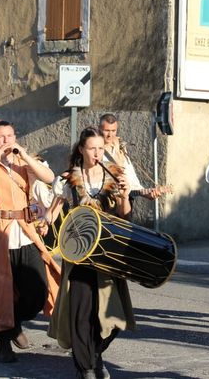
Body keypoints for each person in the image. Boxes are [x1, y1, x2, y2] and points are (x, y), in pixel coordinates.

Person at [0, 120, 59, 363]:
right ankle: (3, 342)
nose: (5, 140)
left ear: (15, 136)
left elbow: (49, 177)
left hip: (25, 232)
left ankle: (13, 324)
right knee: (2, 291)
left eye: (9, 136)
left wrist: (24, 155)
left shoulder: (26, 162)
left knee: (37, 289)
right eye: (0, 137)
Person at [44, 126, 136, 379]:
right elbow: (55, 208)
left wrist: (126, 195)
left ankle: (95, 354)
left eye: (100, 148)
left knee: (112, 314)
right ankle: (85, 367)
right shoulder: (67, 179)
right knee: (81, 312)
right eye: (92, 148)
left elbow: (125, 216)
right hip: (79, 253)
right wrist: (46, 221)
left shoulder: (115, 175)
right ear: (82, 150)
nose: (97, 153)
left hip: (108, 252)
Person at [99, 113, 161, 200]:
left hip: (124, 202)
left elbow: (130, 175)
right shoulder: (94, 149)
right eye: (106, 130)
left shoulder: (121, 149)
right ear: (99, 129)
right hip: (103, 201)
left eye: (113, 131)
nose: (110, 135)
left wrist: (145, 193)